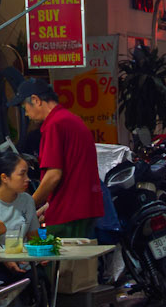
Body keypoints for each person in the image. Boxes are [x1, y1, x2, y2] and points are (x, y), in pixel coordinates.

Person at [20, 76, 104, 236]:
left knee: (55, 255)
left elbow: (53, 175)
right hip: (81, 210)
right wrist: (48, 204)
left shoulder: (54, 124)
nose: (26, 114)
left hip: (69, 212)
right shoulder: (70, 119)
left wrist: (28, 206)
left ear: (36, 100)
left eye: (25, 107)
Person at [0, 147, 38, 251]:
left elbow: (34, 239)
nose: (28, 179)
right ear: (4, 178)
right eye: (22, 174)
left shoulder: (27, 200)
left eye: (27, 174)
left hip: (24, 262)